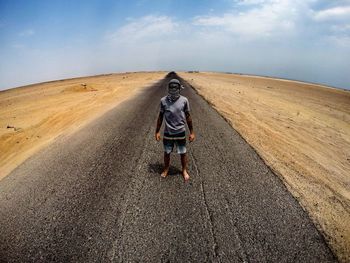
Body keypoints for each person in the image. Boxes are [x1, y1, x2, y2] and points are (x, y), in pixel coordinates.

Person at [155, 78, 195, 182]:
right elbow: (160, 117)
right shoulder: (163, 101)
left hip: (181, 132)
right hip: (168, 132)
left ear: (179, 88)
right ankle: (166, 168)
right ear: (168, 88)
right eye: (171, 87)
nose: (173, 90)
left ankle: (184, 170)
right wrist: (157, 131)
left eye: (175, 87)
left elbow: (188, 116)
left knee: (183, 153)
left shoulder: (184, 100)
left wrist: (192, 132)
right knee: (167, 152)